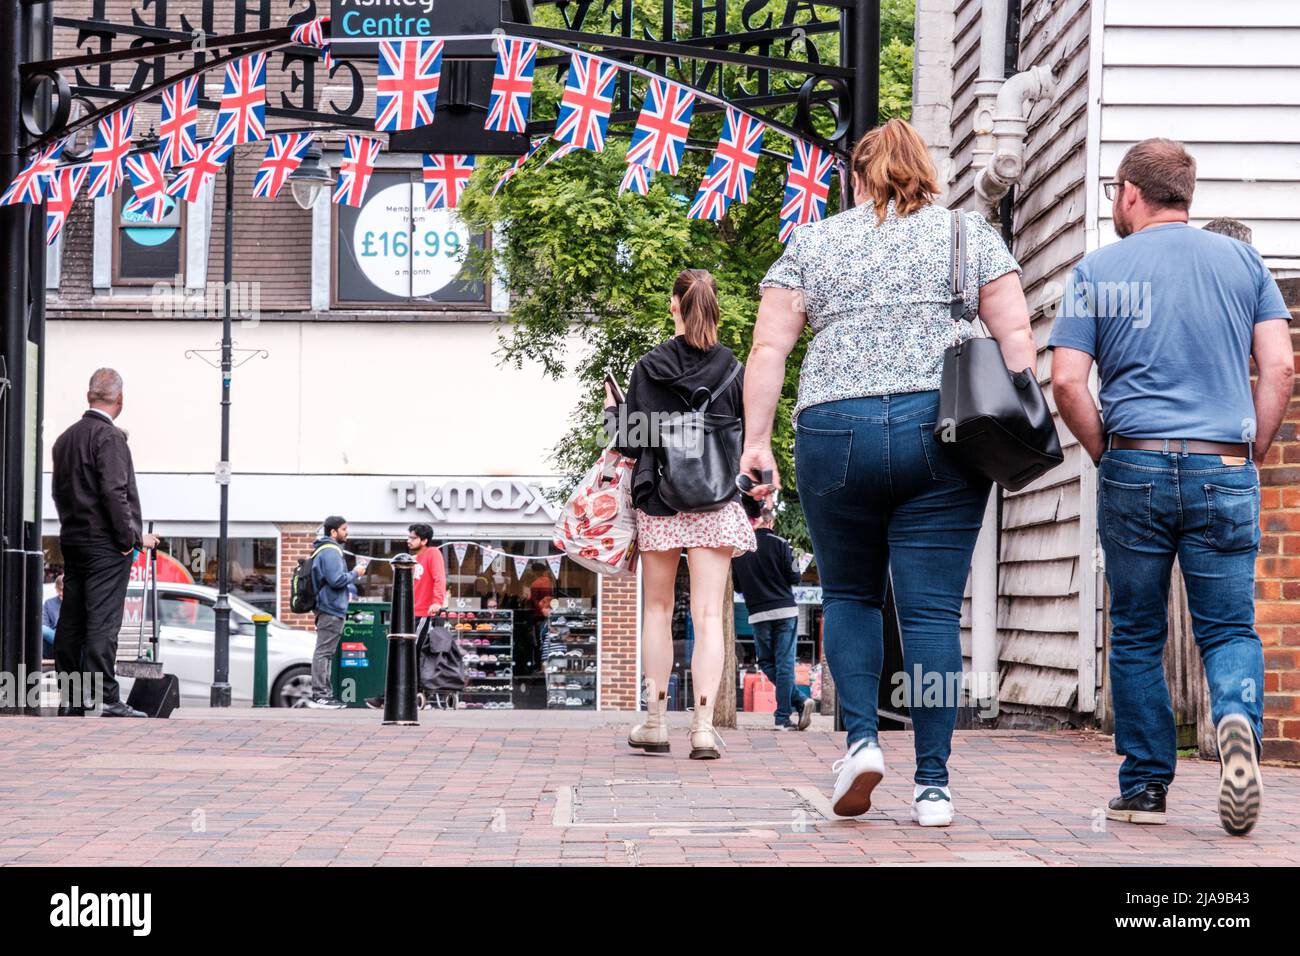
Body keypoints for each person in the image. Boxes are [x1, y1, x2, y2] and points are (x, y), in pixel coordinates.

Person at [741, 119, 1036, 823]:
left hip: (833, 430)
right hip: (939, 429)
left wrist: (757, 442)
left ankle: (864, 742)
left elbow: (767, 349)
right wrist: (1021, 420)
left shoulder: (814, 241)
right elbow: (1017, 338)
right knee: (931, 611)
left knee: (850, 596)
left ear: (858, 176)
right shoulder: (967, 237)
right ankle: (933, 784)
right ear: (924, 171)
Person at [1050, 138, 1293, 836]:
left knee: (1135, 631)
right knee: (1228, 627)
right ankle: (1238, 723)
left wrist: (1107, 452)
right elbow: (1278, 370)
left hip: (1136, 462)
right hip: (1223, 464)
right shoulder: (1243, 262)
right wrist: (1248, 454)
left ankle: (1147, 786)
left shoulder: (1098, 268)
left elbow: (1067, 380)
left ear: (1130, 192)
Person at [614, 268, 757, 759]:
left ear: (674, 305)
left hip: (661, 499)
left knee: (656, 610)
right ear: (713, 306)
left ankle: (654, 721)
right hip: (715, 499)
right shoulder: (734, 369)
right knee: (708, 615)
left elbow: (631, 441)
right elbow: (743, 432)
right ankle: (701, 727)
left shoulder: (649, 366)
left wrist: (621, 414)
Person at [51, 368, 162, 717]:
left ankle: (72, 699)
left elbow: (60, 492)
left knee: (71, 622)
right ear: (120, 399)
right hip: (105, 545)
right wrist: (130, 539)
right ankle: (108, 698)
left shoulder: (65, 439)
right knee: (102, 622)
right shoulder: (110, 439)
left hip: (73, 539)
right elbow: (115, 494)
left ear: (89, 397)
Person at [732, 503, 814, 731]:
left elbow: (738, 586)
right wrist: (797, 559)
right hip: (785, 611)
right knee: (785, 664)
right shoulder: (781, 544)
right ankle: (784, 716)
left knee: (767, 663)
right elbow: (794, 577)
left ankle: (795, 703)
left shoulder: (740, 551)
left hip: (758, 614)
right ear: (770, 522)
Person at [366, 524, 446, 709]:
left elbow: (439, 578)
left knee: (408, 653)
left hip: (422, 612)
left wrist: (437, 601)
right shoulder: (410, 559)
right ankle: (406, 695)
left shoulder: (432, 553)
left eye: (413, 537)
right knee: (403, 653)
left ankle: (400, 696)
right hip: (406, 613)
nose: (408, 540)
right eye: (408, 537)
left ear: (424, 540)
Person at [308, 516, 366, 709]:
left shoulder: (324, 550)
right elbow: (336, 580)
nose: (347, 532)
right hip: (330, 608)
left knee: (326, 652)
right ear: (333, 532)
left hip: (327, 607)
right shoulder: (331, 551)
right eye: (344, 529)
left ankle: (324, 694)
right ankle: (321, 696)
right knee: (324, 652)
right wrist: (356, 573)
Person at [42, 574, 64, 660]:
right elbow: (44, 626)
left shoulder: (78, 602)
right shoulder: (49, 603)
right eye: (60, 590)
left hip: (72, 635)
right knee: (42, 629)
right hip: (55, 635)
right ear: (56, 589)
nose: (61, 593)